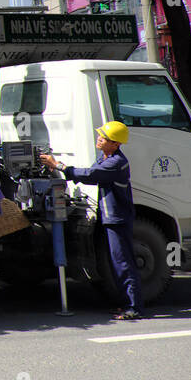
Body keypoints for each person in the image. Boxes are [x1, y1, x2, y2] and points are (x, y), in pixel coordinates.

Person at [41, 121, 143, 321]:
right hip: (110, 217)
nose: (99, 139)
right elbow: (88, 172)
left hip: (117, 219)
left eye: (103, 137)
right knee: (116, 262)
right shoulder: (105, 157)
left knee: (123, 263)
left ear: (115, 144)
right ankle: (126, 304)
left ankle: (134, 307)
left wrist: (59, 166)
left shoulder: (116, 163)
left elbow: (90, 175)